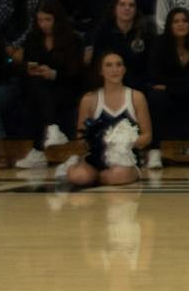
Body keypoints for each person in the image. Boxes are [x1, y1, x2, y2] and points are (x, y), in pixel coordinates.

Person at [60, 51, 151, 189]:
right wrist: (98, 141)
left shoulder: (136, 97)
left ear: (124, 69)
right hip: (96, 158)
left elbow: (147, 136)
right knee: (79, 177)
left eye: (119, 65)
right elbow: (80, 137)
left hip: (125, 159)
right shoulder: (89, 99)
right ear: (101, 71)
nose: (115, 69)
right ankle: (73, 167)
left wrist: (124, 142)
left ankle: (104, 176)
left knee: (117, 176)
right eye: (109, 65)